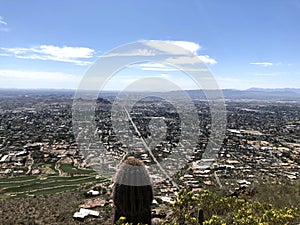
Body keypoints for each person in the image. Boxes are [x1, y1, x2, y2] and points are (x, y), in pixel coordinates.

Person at [112, 156, 153, 225]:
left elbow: (116, 200)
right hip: (144, 218)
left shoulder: (122, 177)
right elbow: (150, 199)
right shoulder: (142, 178)